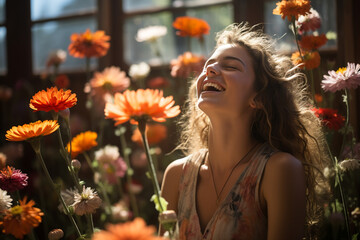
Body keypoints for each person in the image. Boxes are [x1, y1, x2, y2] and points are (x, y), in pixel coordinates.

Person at [161, 22, 329, 240]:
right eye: (208, 66)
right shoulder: (176, 175)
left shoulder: (278, 171)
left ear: (258, 97)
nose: (209, 70)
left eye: (230, 66)